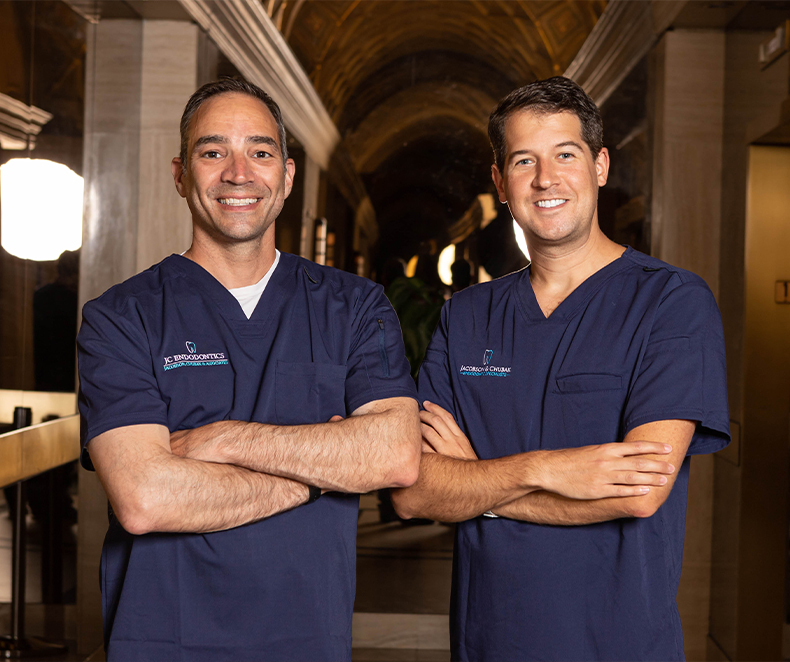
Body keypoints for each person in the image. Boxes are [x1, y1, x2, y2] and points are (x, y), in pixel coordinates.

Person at [76, 79, 424, 662]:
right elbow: (145, 499)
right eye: (213, 153)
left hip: (307, 637)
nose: (239, 173)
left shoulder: (356, 307)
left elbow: (394, 454)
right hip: (163, 637)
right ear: (181, 174)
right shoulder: (120, 316)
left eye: (260, 152)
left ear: (286, 177)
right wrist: (326, 471)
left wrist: (223, 438)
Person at [391, 76, 730, 661]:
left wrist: (479, 484)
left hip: (618, 644)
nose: (546, 179)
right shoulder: (467, 316)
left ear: (600, 166)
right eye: (524, 160)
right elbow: (414, 493)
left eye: (565, 155)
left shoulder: (672, 302)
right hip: (487, 641)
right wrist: (550, 469)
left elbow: (641, 492)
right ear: (501, 182)